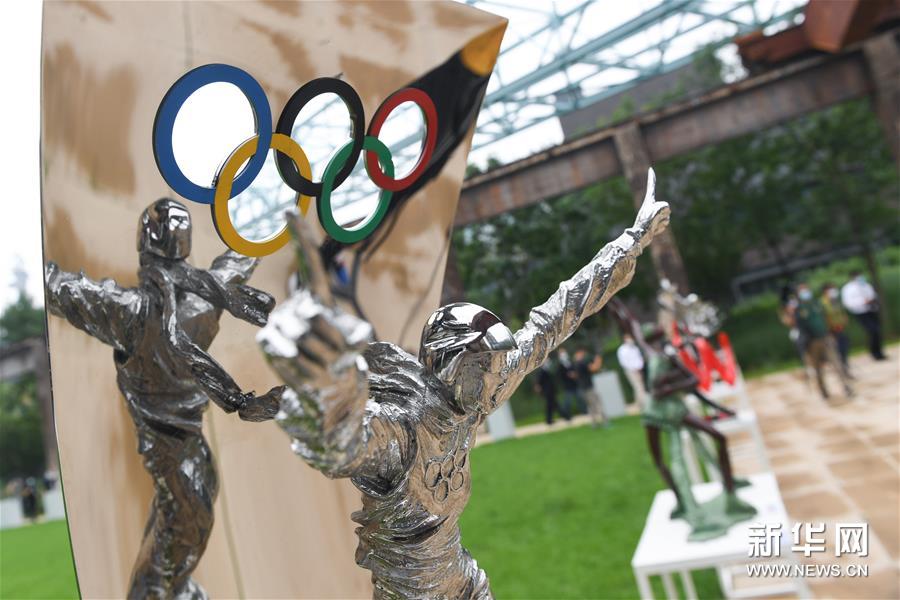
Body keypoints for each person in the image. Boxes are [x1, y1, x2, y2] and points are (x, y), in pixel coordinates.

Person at [258, 170, 670, 598]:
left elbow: (559, 315)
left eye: (497, 365)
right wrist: (328, 388)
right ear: (448, 364)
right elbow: (342, 443)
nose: (496, 377)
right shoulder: (402, 427)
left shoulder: (472, 399)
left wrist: (632, 241)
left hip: (463, 577)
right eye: (483, 367)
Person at [45, 198, 282, 599]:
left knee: (165, 565)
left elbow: (60, 289)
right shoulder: (203, 296)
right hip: (181, 465)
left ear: (144, 246)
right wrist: (280, 204)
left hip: (182, 464)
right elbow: (243, 254)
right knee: (167, 562)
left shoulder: (134, 312)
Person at [794, 282, 853, 400]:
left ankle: (846, 386)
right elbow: (799, 327)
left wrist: (831, 333)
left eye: (806, 289)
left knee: (836, 363)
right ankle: (823, 391)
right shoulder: (799, 310)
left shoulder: (817, 304)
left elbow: (826, 318)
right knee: (818, 369)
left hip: (825, 338)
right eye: (802, 290)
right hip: (812, 342)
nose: (805, 292)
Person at [841, 270, 887, 361]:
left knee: (877, 330)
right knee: (872, 330)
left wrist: (872, 301)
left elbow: (873, 295)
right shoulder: (848, 289)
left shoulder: (866, 285)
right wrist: (863, 302)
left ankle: (879, 351)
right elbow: (848, 303)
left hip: (872, 310)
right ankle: (874, 352)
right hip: (861, 312)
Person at [820, 282, 851, 375]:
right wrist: (831, 327)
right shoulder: (822, 303)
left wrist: (844, 320)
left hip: (840, 327)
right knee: (837, 349)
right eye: (831, 289)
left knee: (844, 346)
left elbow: (841, 312)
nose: (833, 291)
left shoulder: (835, 300)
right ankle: (842, 369)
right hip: (832, 330)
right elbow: (825, 317)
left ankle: (845, 367)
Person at [575, 347, 607, 427]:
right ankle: (605, 421)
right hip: (588, 388)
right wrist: (598, 361)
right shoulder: (582, 363)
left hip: (582, 388)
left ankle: (594, 423)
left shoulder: (576, 364)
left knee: (591, 406)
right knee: (597, 403)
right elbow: (594, 368)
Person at [534, 358, 569, 425]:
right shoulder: (541, 371)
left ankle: (550, 420)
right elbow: (538, 382)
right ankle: (565, 417)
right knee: (554, 405)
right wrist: (540, 391)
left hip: (551, 391)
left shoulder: (547, 370)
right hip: (547, 392)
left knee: (551, 406)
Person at [617, 333, 648, 409]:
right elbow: (624, 362)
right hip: (630, 371)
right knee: (638, 386)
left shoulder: (635, 348)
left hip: (638, 369)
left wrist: (640, 367)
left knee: (640, 386)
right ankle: (644, 403)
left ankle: (639, 403)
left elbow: (639, 358)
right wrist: (633, 368)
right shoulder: (622, 350)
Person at [557, 348, 585, 417]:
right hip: (567, 386)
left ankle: (584, 412)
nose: (563, 354)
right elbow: (560, 376)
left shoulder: (571, 362)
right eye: (561, 353)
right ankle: (567, 415)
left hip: (575, 384)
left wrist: (575, 374)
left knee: (580, 399)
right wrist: (568, 375)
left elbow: (576, 370)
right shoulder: (560, 366)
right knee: (567, 402)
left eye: (563, 352)